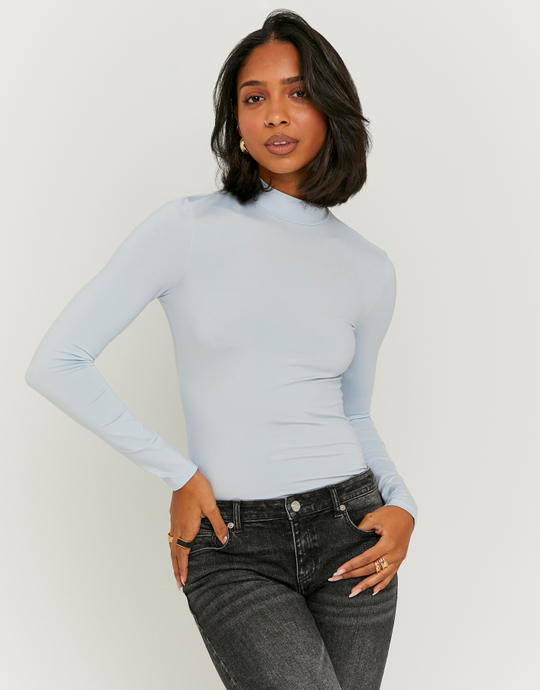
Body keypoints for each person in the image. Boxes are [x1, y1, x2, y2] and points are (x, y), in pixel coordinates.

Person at [25, 9, 417, 690]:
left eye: (298, 93)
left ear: (331, 110)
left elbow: (354, 412)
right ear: (235, 120)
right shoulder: (185, 229)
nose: (275, 114)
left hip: (351, 529)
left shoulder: (369, 267)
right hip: (234, 543)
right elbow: (57, 362)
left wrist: (403, 506)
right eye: (254, 97)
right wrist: (179, 474)